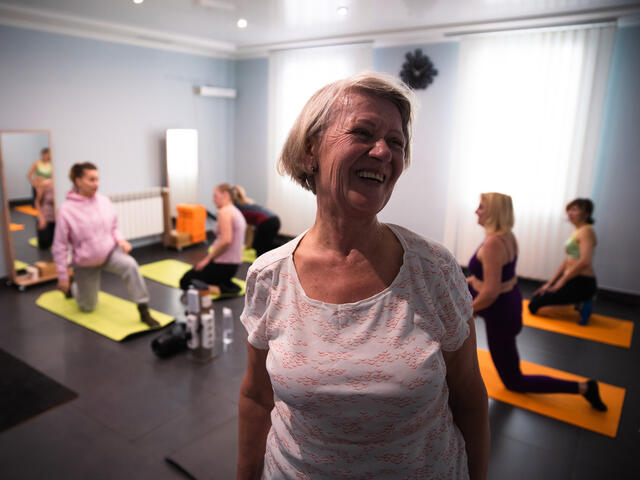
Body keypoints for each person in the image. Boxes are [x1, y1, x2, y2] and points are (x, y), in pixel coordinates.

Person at [238, 72, 490, 480]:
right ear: (309, 152)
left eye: (396, 142)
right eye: (363, 132)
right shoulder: (269, 277)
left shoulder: (435, 270)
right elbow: (254, 396)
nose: (382, 152)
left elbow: (469, 395)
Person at [467, 193, 606, 411]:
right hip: (508, 301)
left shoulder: (493, 243)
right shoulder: (506, 236)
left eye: (482, 207)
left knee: (514, 381)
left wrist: (468, 310)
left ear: (494, 212)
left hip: (500, 313)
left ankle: (585, 388)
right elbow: (504, 279)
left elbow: (491, 292)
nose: (476, 211)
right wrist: (466, 283)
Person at [52, 162, 159, 327]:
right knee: (88, 307)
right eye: (91, 180)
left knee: (131, 266)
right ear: (78, 181)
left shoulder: (104, 201)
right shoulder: (66, 210)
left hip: (109, 254)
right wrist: (63, 276)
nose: (97, 184)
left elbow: (114, 227)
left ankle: (143, 309)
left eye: (98, 179)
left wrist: (121, 240)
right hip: (85, 262)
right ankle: (74, 286)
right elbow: (60, 245)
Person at [528, 198, 597, 324]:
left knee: (535, 308)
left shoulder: (587, 231)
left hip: (582, 282)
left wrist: (561, 281)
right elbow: (567, 260)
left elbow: (585, 261)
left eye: (575, 209)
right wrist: (550, 284)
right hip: (570, 279)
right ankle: (576, 304)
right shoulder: (576, 231)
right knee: (536, 300)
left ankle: (579, 306)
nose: (570, 213)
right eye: (569, 209)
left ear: (586, 213)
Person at [179, 183, 247, 296]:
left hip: (223, 265)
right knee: (200, 273)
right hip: (232, 266)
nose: (213, 200)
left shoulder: (225, 212)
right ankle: (225, 284)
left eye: (215, 196)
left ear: (225, 195)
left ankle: (222, 289)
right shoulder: (235, 210)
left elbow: (226, 241)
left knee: (185, 281)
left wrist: (207, 260)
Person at [231, 186, 281, 256]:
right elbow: (249, 228)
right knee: (262, 244)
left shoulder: (236, 206)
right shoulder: (246, 203)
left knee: (260, 247)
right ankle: (284, 248)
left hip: (268, 222)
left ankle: (285, 249)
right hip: (274, 220)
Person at [34, 178, 55, 249]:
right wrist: (41, 219)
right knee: (45, 247)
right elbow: (37, 202)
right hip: (47, 219)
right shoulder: (45, 184)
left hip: (59, 219)